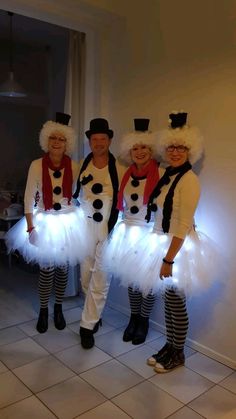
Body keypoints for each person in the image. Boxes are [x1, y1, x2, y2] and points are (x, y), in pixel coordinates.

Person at [140, 111, 214, 372]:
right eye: (171, 146)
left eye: (181, 147)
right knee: (169, 301)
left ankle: (178, 353)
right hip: (163, 242)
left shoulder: (189, 180)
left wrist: (168, 260)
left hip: (178, 248)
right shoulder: (167, 175)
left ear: (190, 150)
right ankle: (169, 346)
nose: (175, 152)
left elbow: (182, 225)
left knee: (176, 303)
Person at [6, 112, 88, 333]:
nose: (57, 143)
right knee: (47, 270)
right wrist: (31, 226)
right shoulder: (36, 165)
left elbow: (81, 193)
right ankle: (44, 310)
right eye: (53, 138)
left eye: (61, 139)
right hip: (44, 219)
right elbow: (28, 196)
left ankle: (58, 308)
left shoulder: (74, 166)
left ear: (67, 142)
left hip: (68, 222)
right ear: (46, 140)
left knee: (63, 269)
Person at [102, 118, 160, 344]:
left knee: (147, 282)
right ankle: (133, 318)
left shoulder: (161, 173)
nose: (139, 152)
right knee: (131, 280)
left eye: (143, 147)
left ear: (151, 149)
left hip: (149, 234)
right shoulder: (126, 174)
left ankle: (143, 321)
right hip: (127, 232)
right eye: (135, 148)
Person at [73, 118, 125, 349]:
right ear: (90, 141)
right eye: (94, 139)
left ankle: (87, 325)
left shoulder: (120, 169)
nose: (99, 143)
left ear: (109, 140)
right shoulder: (81, 166)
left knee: (101, 277)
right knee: (85, 275)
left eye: (103, 139)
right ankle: (94, 313)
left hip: (108, 228)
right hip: (85, 228)